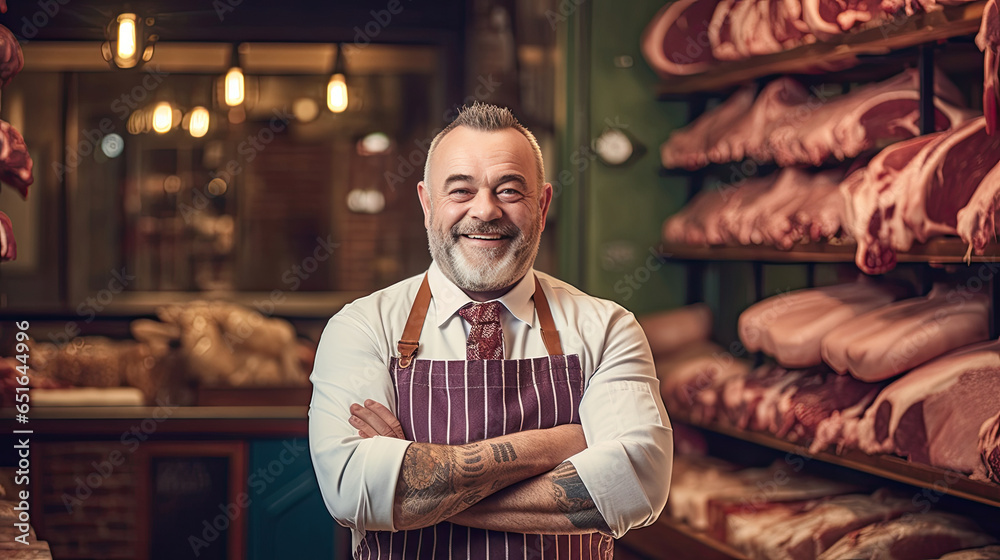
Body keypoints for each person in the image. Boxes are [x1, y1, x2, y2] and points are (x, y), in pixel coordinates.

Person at [309, 103, 673, 559]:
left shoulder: (606, 327)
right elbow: (350, 491)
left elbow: (636, 486)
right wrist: (567, 441)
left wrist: (407, 487)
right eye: (461, 190)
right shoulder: (362, 326)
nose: (484, 210)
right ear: (427, 203)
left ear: (541, 206)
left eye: (509, 190)